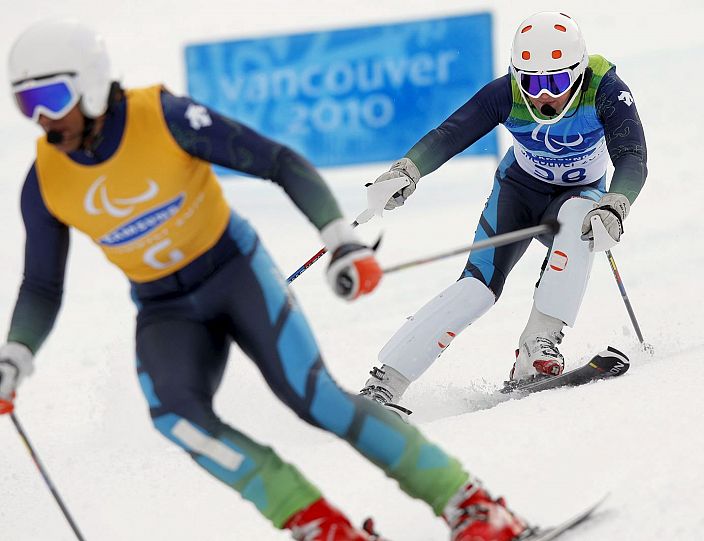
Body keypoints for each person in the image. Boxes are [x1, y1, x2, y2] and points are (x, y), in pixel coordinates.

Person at [0, 19, 539, 541]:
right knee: (175, 417)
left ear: (90, 83)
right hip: (165, 306)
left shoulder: (160, 116)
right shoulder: (46, 181)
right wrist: (16, 355)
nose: (43, 118)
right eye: (26, 103)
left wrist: (340, 238)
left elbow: (277, 161)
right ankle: (319, 525)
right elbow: (42, 286)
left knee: (315, 399)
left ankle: (470, 503)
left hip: (233, 269)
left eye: (51, 96)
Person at [359, 11, 648, 417]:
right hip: (519, 192)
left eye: (557, 82)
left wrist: (615, 204)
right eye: (531, 82)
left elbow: (632, 155)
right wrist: (406, 171)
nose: (542, 95)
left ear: (579, 73)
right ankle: (384, 383)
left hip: (581, 196)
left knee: (584, 218)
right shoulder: (506, 93)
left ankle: (537, 346)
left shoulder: (606, 90)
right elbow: (451, 132)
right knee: (475, 288)